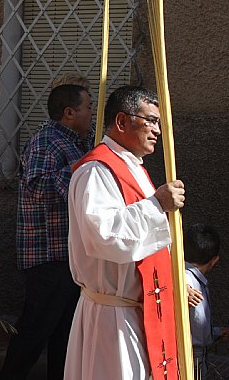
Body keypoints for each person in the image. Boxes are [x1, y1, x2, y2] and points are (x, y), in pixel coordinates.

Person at [65, 85, 185, 380]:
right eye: (151, 120)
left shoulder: (133, 167)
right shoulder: (97, 170)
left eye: (159, 122)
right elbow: (103, 235)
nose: (157, 130)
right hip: (112, 317)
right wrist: (157, 204)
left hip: (139, 309)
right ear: (122, 122)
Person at [0, 84, 93, 379]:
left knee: (65, 331)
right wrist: (84, 167)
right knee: (36, 328)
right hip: (48, 253)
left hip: (70, 253)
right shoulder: (46, 141)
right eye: (88, 106)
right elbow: (39, 187)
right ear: (69, 113)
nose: (92, 112)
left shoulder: (79, 140)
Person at [184, 223, 228, 379]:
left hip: (198, 358)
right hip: (189, 359)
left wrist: (217, 332)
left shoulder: (191, 279)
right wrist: (183, 289)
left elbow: (197, 327)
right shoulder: (184, 280)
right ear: (214, 260)